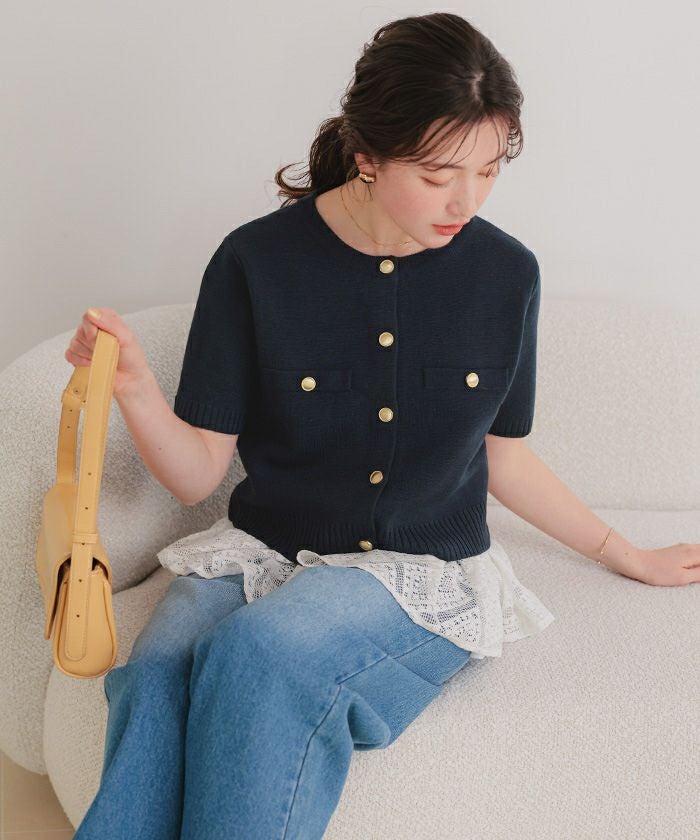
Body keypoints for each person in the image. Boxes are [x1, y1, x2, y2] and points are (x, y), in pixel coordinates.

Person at [67, 11, 700, 840]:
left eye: (488, 170)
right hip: (264, 551)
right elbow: (196, 476)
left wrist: (629, 556)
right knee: (158, 669)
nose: (466, 201)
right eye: (438, 175)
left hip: (418, 575)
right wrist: (137, 388)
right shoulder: (255, 262)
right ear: (368, 155)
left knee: (261, 654)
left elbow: (506, 460)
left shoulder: (505, 274)